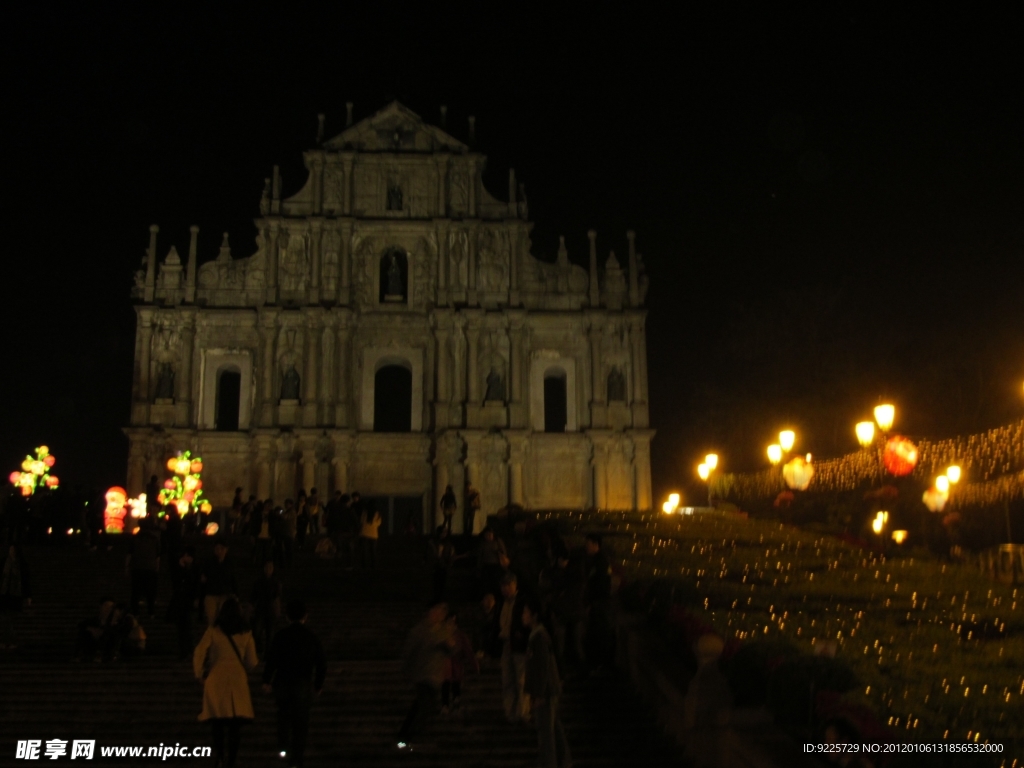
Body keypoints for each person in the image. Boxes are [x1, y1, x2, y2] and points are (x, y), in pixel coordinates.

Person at [262, 599, 327, 768]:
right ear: (305, 617)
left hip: (283, 682)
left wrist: (266, 680)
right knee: (301, 721)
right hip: (303, 683)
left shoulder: (281, 636)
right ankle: (297, 757)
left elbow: (272, 660)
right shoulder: (311, 637)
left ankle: (283, 747)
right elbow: (321, 663)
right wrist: (318, 685)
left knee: (283, 714)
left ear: (287, 617)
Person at [193, 598, 257, 768]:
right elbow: (252, 661)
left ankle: (220, 757)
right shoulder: (246, 632)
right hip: (237, 678)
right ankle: (232, 760)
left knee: (218, 721)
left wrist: (199, 673)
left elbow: (199, 651)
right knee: (235, 724)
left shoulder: (214, 630)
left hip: (216, 677)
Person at [396, 603, 454, 748]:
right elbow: (408, 652)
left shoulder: (443, 632)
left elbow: (451, 651)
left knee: (419, 706)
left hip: (435, 676)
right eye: (436, 612)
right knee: (426, 706)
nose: (438, 616)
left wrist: (450, 645)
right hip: (422, 675)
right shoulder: (419, 631)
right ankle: (411, 737)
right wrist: (405, 670)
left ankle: (403, 735)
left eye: (441, 614)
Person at [522, 597, 572, 768]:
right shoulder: (539, 636)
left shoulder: (539, 637)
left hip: (546, 691)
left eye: (526, 612)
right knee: (554, 729)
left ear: (534, 615)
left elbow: (542, 667)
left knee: (546, 732)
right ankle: (563, 761)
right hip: (549, 689)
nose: (523, 615)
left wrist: (538, 693)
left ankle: (549, 763)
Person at [499, 573, 530, 723]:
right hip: (506, 643)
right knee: (508, 680)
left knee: (521, 680)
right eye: (504, 586)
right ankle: (510, 712)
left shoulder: (521, 602)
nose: (506, 589)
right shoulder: (503, 603)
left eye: (509, 585)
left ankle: (523, 712)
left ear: (515, 585)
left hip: (518, 644)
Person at [583, 534, 612, 672]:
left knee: (599, 633)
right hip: (599, 602)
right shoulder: (598, 560)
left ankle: (600, 663)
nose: (586, 547)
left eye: (588, 544)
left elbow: (599, 585)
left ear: (596, 545)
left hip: (599, 603)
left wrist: (592, 602)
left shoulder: (600, 562)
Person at [441, 612, 478, 713]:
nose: (451, 625)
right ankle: (445, 705)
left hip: (456, 664)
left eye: (453, 623)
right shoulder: (442, 636)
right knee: (446, 684)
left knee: (456, 684)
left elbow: (468, 650)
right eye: (449, 622)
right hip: (446, 665)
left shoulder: (460, 636)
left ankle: (455, 703)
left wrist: (474, 664)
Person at [167, 546, 200, 659]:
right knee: (181, 627)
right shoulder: (177, 567)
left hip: (189, 600)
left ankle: (189, 649)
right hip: (180, 600)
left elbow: (194, 583)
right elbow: (175, 581)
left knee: (188, 626)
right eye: (185, 555)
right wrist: (181, 568)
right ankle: (184, 650)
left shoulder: (195, 568)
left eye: (188, 556)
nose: (186, 558)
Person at [126, 514, 161, 617]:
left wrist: (127, 566)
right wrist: (157, 567)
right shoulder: (155, 539)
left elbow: (129, 554)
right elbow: (158, 555)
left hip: (137, 567)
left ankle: (135, 611)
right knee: (151, 591)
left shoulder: (135, 538)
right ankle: (151, 611)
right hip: (150, 568)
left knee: (135, 591)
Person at [0, 542, 31, 651]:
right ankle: (7, 641)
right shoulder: (4, 562)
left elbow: (25, 580)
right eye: (10, 550)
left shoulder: (21, 564)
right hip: (4, 594)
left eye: (13, 550)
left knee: (8, 620)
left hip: (14, 595)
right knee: (5, 620)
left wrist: (27, 596)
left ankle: (9, 641)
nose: (11, 552)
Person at [200, 538, 238, 626]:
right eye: (217, 548)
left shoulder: (229, 564)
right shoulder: (209, 562)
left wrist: (236, 594)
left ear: (226, 550)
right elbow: (203, 578)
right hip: (211, 594)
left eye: (222, 548)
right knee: (211, 620)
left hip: (225, 594)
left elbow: (233, 579)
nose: (219, 551)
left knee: (224, 620)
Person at [252, 560, 283, 655]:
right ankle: (259, 648)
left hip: (271, 611)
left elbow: (277, 597)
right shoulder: (258, 582)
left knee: (270, 634)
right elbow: (253, 596)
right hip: (260, 609)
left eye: (270, 567)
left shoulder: (276, 582)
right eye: (267, 567)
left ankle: (268, 653)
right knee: (257, 632)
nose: (268, 569)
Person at [477, 527, 508, 598]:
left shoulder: (497, 541)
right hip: (486, 565)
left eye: (490, 534)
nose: (488, 536)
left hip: (496, 565)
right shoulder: (483, 543)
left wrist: (499, 553)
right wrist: (479, 567)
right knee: (486, 584)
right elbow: (480, 556)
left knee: (496, 583)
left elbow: (504, 552)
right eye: (487, 535)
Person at [249, 500, 275, 567]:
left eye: (270, 505)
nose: (269, 507)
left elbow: (275, 527)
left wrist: (273, 537)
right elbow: (253, 525)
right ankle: (258, 566)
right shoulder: (258, 514)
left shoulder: (272, 515)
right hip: (259, 536)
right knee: (259, 554)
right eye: (267, 505)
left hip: (268, 537)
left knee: (267, 554)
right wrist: (252, 535)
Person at [359, 502, 382, 570]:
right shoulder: (377, 514)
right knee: (373, 551)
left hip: (364, 533)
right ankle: (373, 565)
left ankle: (364, 565)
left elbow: (361, 521)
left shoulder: (364, 513)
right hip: (373, 534)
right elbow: (379, 524)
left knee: (364, 550)